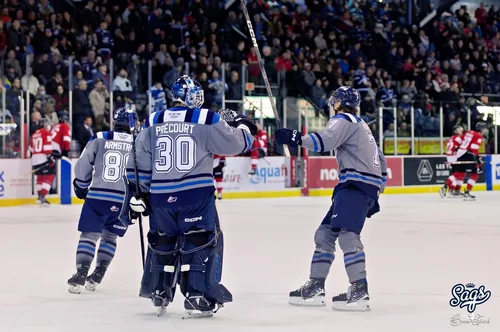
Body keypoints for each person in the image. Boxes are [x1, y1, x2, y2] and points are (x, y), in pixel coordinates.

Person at [121, 75, 257, 318]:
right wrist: (244, 125)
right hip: (195, 196)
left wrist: (138, 192)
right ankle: (197, 295)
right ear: (188, 97)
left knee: (163, 239)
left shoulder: (153, 120)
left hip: (161, 197)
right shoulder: (205, 118)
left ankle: (159, 289)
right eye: (195, 95)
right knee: (201, 240)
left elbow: (139, 160)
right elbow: (237, 144)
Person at [274, 86, 387, 311]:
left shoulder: (343, 120)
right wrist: (374, 190)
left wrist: (295, 137)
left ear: (337, 103)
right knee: (325, 233)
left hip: (355, 184)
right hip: (357, 185)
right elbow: (381, 161)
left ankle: (359, 289)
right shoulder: (362, 125)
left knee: (347, 234)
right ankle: (316, 284)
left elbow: (326, 141)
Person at [67, 107, 139, 294]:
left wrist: (82, 186)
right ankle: (99, 272)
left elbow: (83, 164)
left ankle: (81, 274)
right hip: (124, 200)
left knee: (89, 235)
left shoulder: (100, 136)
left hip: (98, 195)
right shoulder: (138, 142)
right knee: (110, 236)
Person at [453, 122, 487, 201]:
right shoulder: (479, 136)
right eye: (484, 129)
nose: (485, 131)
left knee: (460, 172)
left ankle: (456, 190)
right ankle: (467, 191)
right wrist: (478, 159)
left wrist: (456, 149)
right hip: (469, 154)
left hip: (460, 153)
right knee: (476, 172)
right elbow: (473, 148)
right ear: (482, 129)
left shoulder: (469, 132)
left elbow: (459, 139)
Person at [29, 118, 55, 206]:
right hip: (42, 158)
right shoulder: (46, 133)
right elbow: (47, 147)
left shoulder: (34, 134)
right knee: (49, 176)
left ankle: (39, 196)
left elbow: (31, 148)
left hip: (35, 158)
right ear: (44, 125)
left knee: (39, 177)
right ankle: (43, 196)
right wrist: (50, 157)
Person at [440, 125, 464, 198]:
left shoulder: (451, 138)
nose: (461, 131)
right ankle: (448, 188)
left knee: (457, 173)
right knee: (458, 173)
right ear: (456, 131)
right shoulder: (458, 138)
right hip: (454, 156)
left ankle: (454, 190)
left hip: (450, 156)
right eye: (460, 129)